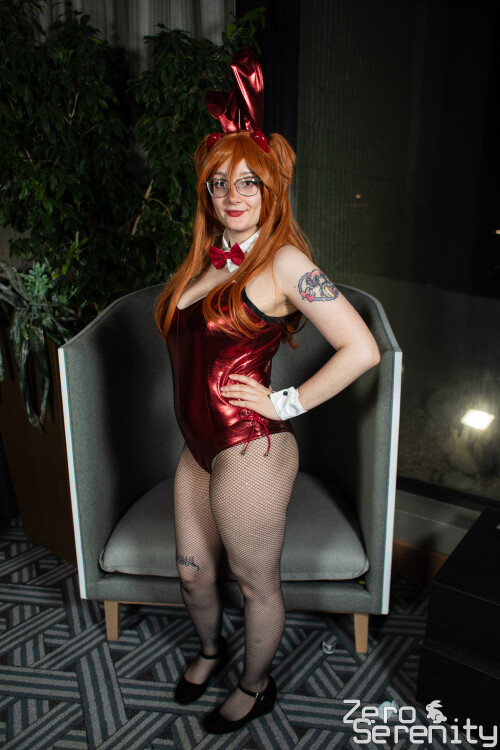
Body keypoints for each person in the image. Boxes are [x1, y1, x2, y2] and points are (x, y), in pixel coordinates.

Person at [154, 49, 380, 735]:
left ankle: (255, 686)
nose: (235, 196)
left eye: (250, 183)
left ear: (271, 190)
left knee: (256, 583)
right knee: (194, 574)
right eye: (221, 183)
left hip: (249, 448)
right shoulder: (202, 261)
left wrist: (286, 403)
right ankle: (210, 651)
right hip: (197, 447)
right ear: (207, 193)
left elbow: (362, 348)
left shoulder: (283, 262)